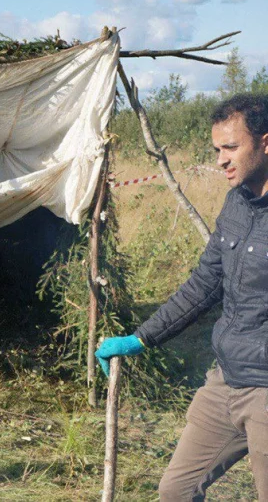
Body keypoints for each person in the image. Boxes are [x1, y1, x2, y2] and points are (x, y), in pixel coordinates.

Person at [96, 94, 268, 500]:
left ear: (265, 142)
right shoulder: (236, 203)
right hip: (225, 380)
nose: (221, 160)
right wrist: (141, 338)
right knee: (175, 491)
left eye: (231, 147)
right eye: (216, 150)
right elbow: (204, 284)